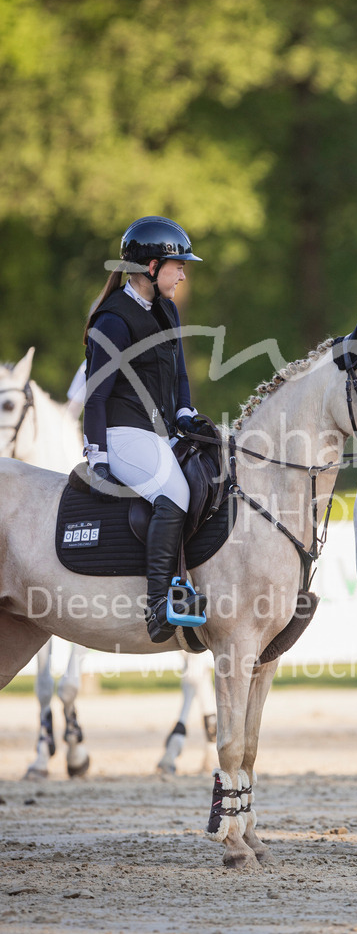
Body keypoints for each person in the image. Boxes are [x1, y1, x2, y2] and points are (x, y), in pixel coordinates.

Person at [82, 216, 208, 643]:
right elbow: (95, 396)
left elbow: (180, 374)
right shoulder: (113, 320)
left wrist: (187, 411)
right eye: (178, 266)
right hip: (122, 433)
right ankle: (159, 605)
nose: (184, 273)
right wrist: (96, 455)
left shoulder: (166, 309)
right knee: (175, 492)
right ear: (151, 268)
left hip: (160, 432)